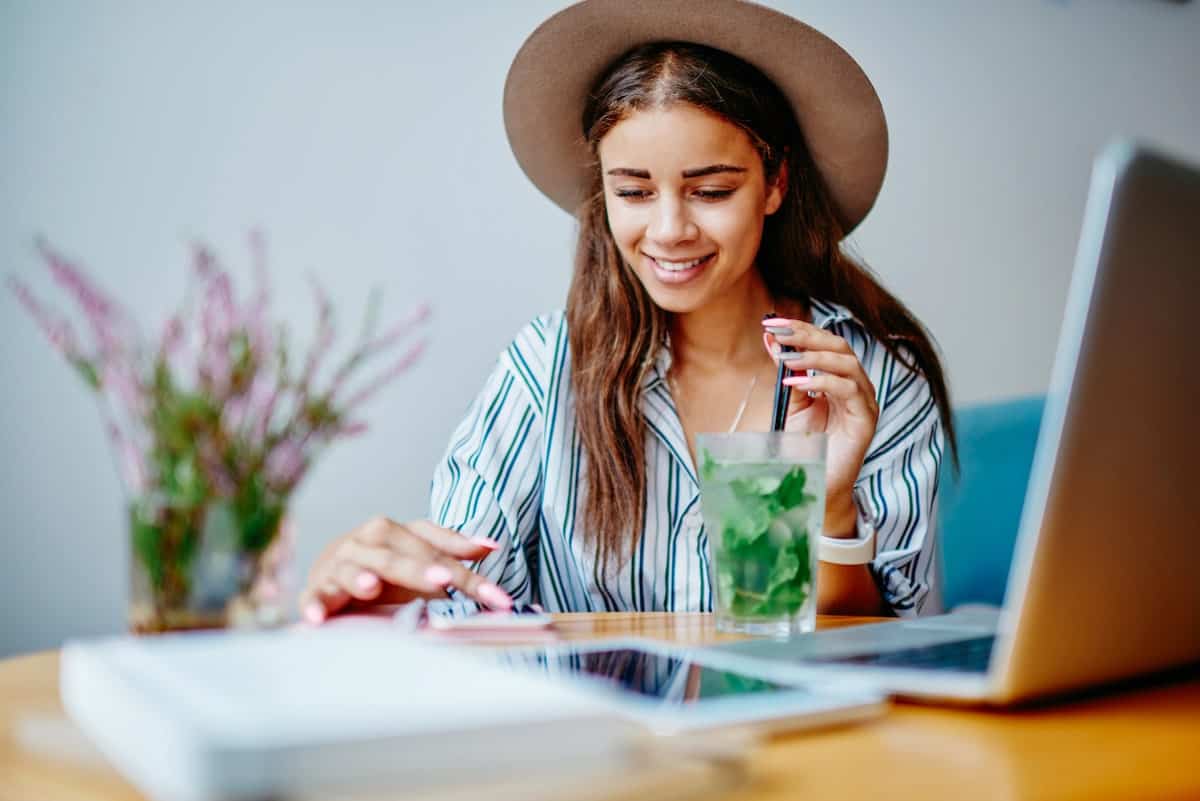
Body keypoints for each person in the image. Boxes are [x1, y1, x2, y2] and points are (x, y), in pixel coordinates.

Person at [300, 0, 957, 623]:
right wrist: (382, 590)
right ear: (603, 192)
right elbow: (465, 602)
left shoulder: (870, 377)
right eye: (634, 191)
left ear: (775, 182)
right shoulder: (546, 369)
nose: (669, 229)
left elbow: (895, 645)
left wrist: (830, 505)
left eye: (711, 190)